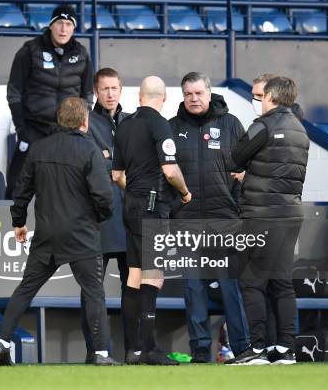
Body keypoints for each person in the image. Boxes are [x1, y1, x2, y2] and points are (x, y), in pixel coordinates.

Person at [0, 97, 118, 366]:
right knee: (94, 291)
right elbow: (104, 196)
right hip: (82, 233)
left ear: (59, 120)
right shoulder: (90, 149)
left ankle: (2, 341)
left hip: (47, 233)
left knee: (26, 288)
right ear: (85, 121)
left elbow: (20, 190)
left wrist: (18, 222)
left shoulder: (38, 148)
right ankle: (101, 353)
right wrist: (99, 218)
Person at [227, 76, 309, 365]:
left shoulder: (262, 125)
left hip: (261, 214)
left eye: (260, 96)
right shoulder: (300, 129)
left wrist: (246, 170)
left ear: (271, 97)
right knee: (282, 282)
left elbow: (234, 159)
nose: (258, 101)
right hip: (291, 213)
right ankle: (286, 349)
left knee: (251, 281)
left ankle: (258, 349)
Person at [168, 72, 249, 362]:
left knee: (230, 287)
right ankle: (200, 350)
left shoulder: (230, 124)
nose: (193, 99)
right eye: (188, 94)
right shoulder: (172, 127)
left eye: (198, 93)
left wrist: (237, 202)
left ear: (209, 92)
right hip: (187, 221)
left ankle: (242, 348)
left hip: (223, 220)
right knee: (193, 288)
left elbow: (247, 169)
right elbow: (164, 175)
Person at [112, 76, 191, 365]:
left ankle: (132, 350)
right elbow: (170, 171)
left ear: (139, 96)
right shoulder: (160, 123)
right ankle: (150, 349)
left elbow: (117, 176)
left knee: (133, 276)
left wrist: (135, 193)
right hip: (153, 207)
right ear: (165, 97)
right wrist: (184, 192)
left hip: (130, 205)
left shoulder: (124, 125)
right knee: (153, 276)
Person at [5, 4, 93, 197]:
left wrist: (82, 125)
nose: (64, 29)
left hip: (68, 131)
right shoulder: (30, 50)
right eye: (60, 23)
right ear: (51, 25)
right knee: (18, 183)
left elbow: (87, 95)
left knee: (68, 186)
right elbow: (14, 92)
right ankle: (10, 222)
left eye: (69, 24)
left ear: (74, 27)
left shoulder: (82, 54)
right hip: (34, 129)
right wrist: (22, 129)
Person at [83, 68, 129, 363]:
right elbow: (90, 163)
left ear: (121, 90)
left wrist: (109, 156)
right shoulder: (87, 123)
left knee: (134, 289)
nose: (110, 94)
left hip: (131, 217)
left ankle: (134, 351)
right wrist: (114, 161)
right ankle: (97, 351)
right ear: (96, 92)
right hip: (98, 219)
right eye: (104, 89)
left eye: (114, 88)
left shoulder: (131, 122)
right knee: (92, 289)